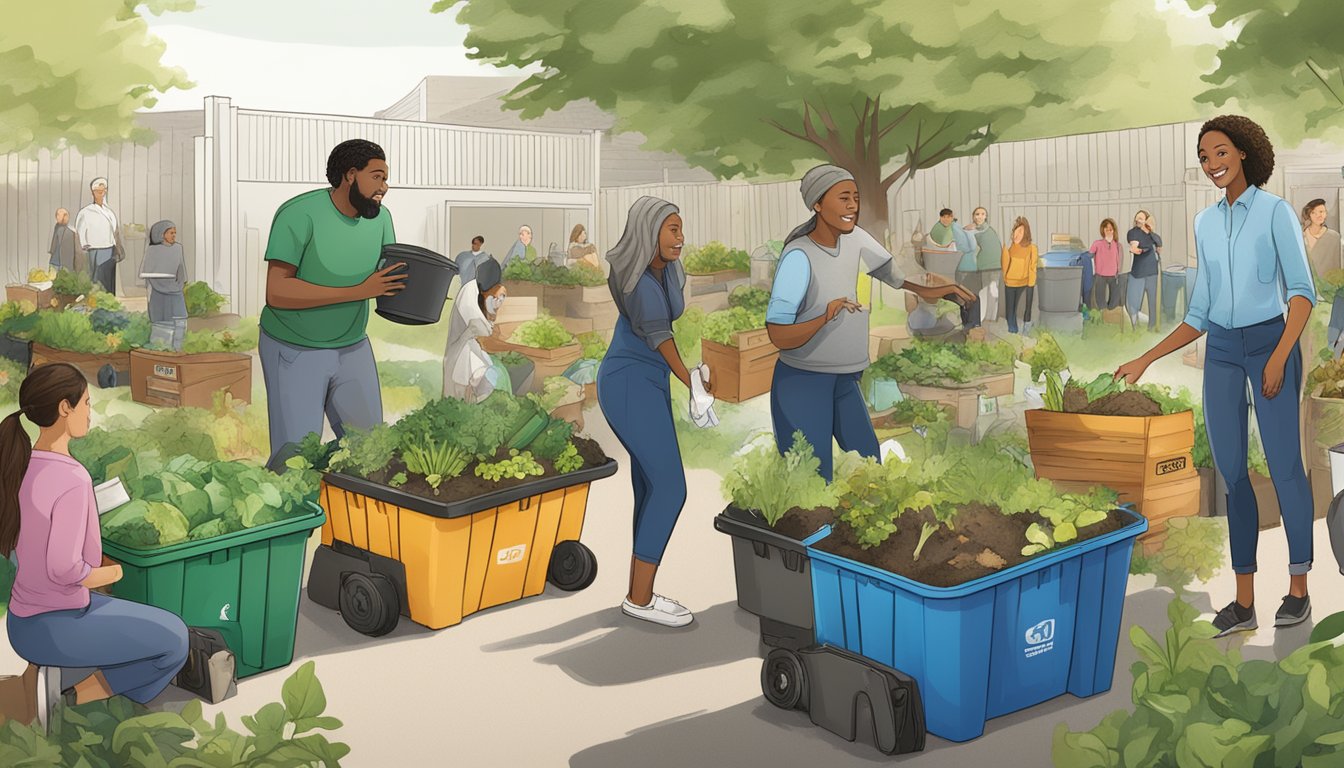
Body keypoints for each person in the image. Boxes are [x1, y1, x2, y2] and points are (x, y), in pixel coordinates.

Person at [1116, 114, 1316, 637]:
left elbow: (1301, 294)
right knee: (1230, 473)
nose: (1212, 165)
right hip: (1223, 351)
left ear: (1245, 152)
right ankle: (1244, 600)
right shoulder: (1205, 224)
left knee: (1283, 464)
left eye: (1221, 152)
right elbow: (1199, 311)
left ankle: (1298, 588)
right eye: (1205, 157)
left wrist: (1278, 357)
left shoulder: (1275, 213)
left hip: (1273, 342)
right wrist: (1146, 358)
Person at [2, 363, 188, 719]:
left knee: (141, 624)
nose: (90, 412)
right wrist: (113, 573)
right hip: (58, 625)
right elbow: (64, 568)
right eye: (86, 403)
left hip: (22, 621)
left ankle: (55, 681)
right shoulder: (72, 478)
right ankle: (71, 703)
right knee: (175, 641)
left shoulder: (19, 466)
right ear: (64, 408)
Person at [766, 165, 974, 481]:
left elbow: (898, 278)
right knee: (812, 482)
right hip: (803, 384)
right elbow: (778, 335)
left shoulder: (856, 239)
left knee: (870, 468)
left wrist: (941, 290)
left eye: (856, 198)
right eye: (844, 198)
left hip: (845, 381)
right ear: (818, 204)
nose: (853, 206)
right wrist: (825, 316)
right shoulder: (799, 256)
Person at [599, 196, 714, 628]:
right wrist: (694, 384)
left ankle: (637, 591)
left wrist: (693, 380)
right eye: (672, 229)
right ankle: (640, 598)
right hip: (629, 382)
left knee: (650, 487)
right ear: (649, 232)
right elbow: (662, 340)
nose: (681, 237)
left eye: (682, 228)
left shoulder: (665, 273)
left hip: (647, 383)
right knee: (671, 489)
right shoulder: (641, 284)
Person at [258, 139, 406, 466]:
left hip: (352, 347)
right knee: (294, 459)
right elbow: (277, 291)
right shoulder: (299, 214)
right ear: (350, 175)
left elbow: (384, 278)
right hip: (294, 348)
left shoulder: (381, 220)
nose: (385, 186)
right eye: (377, 177)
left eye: (385, 178)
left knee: (371, 452)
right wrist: (358, 290)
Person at [443, 258, 506, 402]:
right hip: (461, 350)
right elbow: (481, 329)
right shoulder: (469, 293)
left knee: (476, 386)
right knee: (459, 394)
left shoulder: (480, 291)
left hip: (472, 348)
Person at [140, 221, 188, 352]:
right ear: (162, 234)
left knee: (180, 322)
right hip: (158, 294)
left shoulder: (178, 248)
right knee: (161, 328)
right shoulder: (152, 251)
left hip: (176, 292)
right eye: (171, 233)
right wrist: (163, 287)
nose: (174, 236)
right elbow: (150, 276)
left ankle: (178, 350)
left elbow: (181, 270)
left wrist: (178, 286)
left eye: (175, 233)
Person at [75, 178, 124, 295]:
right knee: (97, 280)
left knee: (108, 280)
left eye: (103, 191)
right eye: (98, 191)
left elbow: (114, 231)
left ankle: (110, 302)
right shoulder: (86, 212)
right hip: (95, 250)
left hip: (109, 250)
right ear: (93, 192)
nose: (101, 194)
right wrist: (84, 245)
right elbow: (80, 231)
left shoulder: (109, 212)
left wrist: (117, 247)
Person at [1126, 210, 1163, 331]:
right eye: (1137, 218)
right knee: (1136, 301)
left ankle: (1152, 326)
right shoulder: (1133, 233)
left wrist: (1149, 230)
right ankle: (1135, 327)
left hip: (1152, 273)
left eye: (1141, 218)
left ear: (1146, 220)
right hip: (1139, 273)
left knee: (1152, 301)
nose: (1138, 220)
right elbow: (1134, 246)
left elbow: (1159, 245)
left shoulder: (1152, 235)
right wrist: (1137, 249)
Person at [1001, 217, 1039, 334]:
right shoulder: (1008, 248)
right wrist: (1006, 279)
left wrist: (1030, 285)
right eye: (1015, 232)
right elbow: (1004, 266)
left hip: (1025, 283)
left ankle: (1025, 329)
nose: (1016, 235)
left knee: (1025, 308)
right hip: (1010, 283)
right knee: (1010, 309)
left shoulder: (1032, 248)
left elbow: (1033, 267)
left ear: (1026, 233)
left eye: (1020, 232)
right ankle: (1012, 330)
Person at [947, 210, 983, 332]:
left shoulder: (959, 230)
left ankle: (970, 324)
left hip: (967, 268)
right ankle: (971, 324)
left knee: (968, 297)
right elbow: (968, 247)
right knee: (970, 297)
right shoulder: (959, 230)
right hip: (967, 268)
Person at [968, 207, 1003, 322]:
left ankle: (990, 318)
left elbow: (980, 230)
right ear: (973, 216)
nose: (980, 216)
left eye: (983, 214)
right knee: (985, 291)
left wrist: (971, 228)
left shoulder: (984, 228)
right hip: (985, 265)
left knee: (992, 291)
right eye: (977, 214)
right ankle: (986, 318)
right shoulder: (978, 229)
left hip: (994, 265)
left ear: (986, 217)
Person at [1302, 198, 1342, 282]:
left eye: (1321, 212)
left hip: (1328, 287)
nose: (1319, 215)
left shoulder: (1334, 237)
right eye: (1314, 212)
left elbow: (1338, 265)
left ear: (1326, 213)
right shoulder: (1301, 236)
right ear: (1309, 215)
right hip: (1305, 284)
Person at [1089, 218, 1123, 310]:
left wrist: (1118, 272)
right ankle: (1103, 315)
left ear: (1113, 230)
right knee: (1100, 299)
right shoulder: (1097, 244)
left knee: (1115, 300)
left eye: (1110, 229)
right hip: (1100, 275)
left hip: (1114, 276)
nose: (1108, 231)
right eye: (1106, 229)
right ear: (1103, 230)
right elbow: (1090, 256)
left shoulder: (1118, 245)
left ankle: (1111, 316)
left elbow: (1120, 260)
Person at [47, 208, 81, 275]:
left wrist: (77, 268)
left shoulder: (72, 231)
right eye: (57, 215)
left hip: (66, 264)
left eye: (58, 215)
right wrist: (51, 252)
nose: (56, 217)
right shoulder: (57, 227)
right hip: (54, 262)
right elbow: (54, 242)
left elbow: (78, 251)